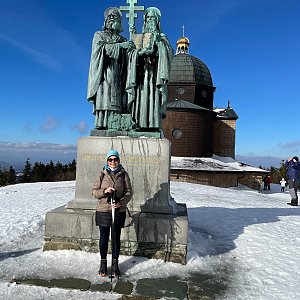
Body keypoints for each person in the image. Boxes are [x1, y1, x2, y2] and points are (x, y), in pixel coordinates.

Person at [87, 7, 135, 129]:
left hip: (119, 73)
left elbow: (129, 58)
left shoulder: (123, 39)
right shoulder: (99, 35)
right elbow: (101, 49)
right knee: (105, 97)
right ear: (105, 20)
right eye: (110, 16)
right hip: (104, 71)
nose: (112, 19)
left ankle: (117, 122)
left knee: (118, 98)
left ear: (120, 21)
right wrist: (120, 46)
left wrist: (131, 48)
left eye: (115, 17)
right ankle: (103, 123)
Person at [126, 7, 174, 131]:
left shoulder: (162, 36)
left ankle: (152, 125)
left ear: (157, 21)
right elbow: (130, 54)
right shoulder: (139, 37)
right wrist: (138, 52)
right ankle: (137, 124)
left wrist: (158, 44)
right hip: (141, 74)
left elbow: (170, 53)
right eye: (148, 18)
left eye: (153, 18)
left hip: (154, 73)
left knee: (153, 97)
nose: (150, 20)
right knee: (140, 98)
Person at [92, 150, 133, 276]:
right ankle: (103, 264)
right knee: (104, 238)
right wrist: (105, 191)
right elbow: (94, 192)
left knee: (115, 238)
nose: (113, 162)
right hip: (103, 210)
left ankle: (115, 265)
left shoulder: (123, 174)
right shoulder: (102, 174)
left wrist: (121, 203)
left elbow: (129, 192)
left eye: (115, 159)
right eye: (110, 160)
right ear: (107, 161)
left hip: (118, 210)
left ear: (119, 160)